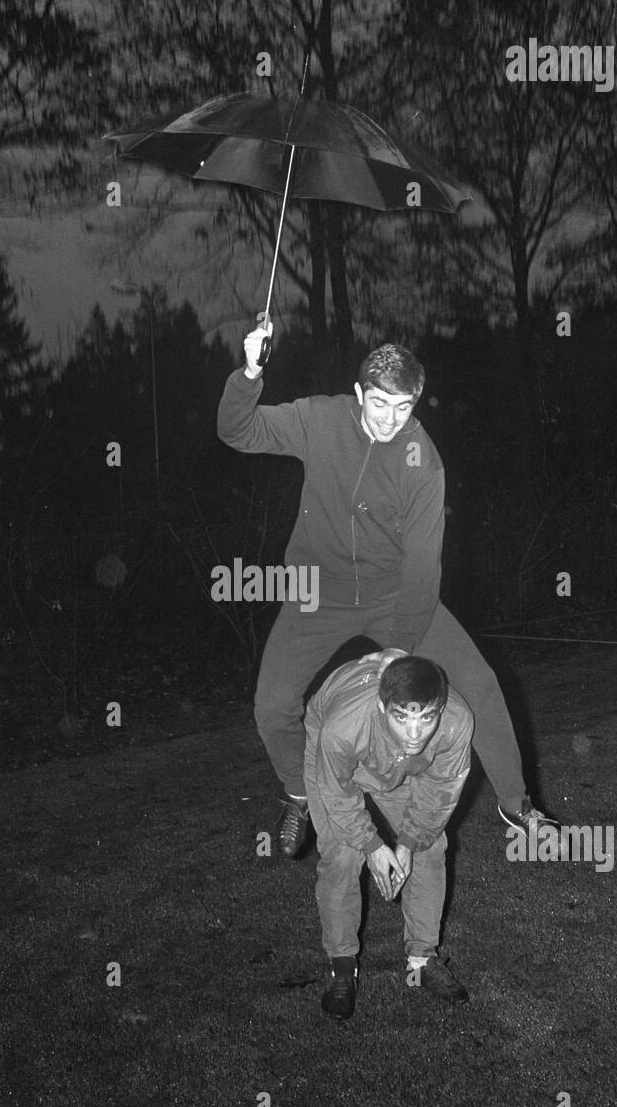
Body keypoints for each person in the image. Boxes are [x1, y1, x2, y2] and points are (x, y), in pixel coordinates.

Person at [216, 330, 562, 860]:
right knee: (272, 704)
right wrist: (250, 375)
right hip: (316, 593)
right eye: (379, 403)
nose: (389, 419)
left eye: (403, 407)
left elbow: (424, 567)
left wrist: (399, 648)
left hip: (394, 595)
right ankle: (297, 793)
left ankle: (518, 805)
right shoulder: (320, 419)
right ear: (358, 394)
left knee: (481, 682)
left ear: (415, 403)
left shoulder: (423, 461)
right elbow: (237, 431)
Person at [304, 650, 472, 1018]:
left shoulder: (457, 722)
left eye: (427, 718)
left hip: (390, 762)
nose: (415, 733)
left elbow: (439, 793)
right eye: (402, 718)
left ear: (441, 709)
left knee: (431, 847)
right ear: (383, 708)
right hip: (341, 760)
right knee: (342, 855)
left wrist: (409, 842)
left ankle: (421, 960)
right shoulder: (342, 727)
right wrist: (371, 844)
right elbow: (337, 792)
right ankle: (342, 966)